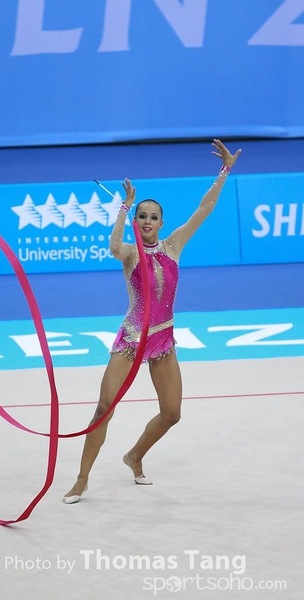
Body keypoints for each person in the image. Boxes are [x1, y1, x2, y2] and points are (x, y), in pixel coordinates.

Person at [63, 139, 242, 503]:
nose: (146, 221)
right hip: (132, 339)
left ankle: (134, 456)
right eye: (141, 216)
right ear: (136, 221)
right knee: (103, 408)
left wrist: (225, 170)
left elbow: (203, 210)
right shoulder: (131, 254)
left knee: (172, 413)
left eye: (152, 216)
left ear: (161, 223)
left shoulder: (173, 246)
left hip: (162, 340)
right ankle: (81, 479)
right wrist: (124, 208)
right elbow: (114, 247)